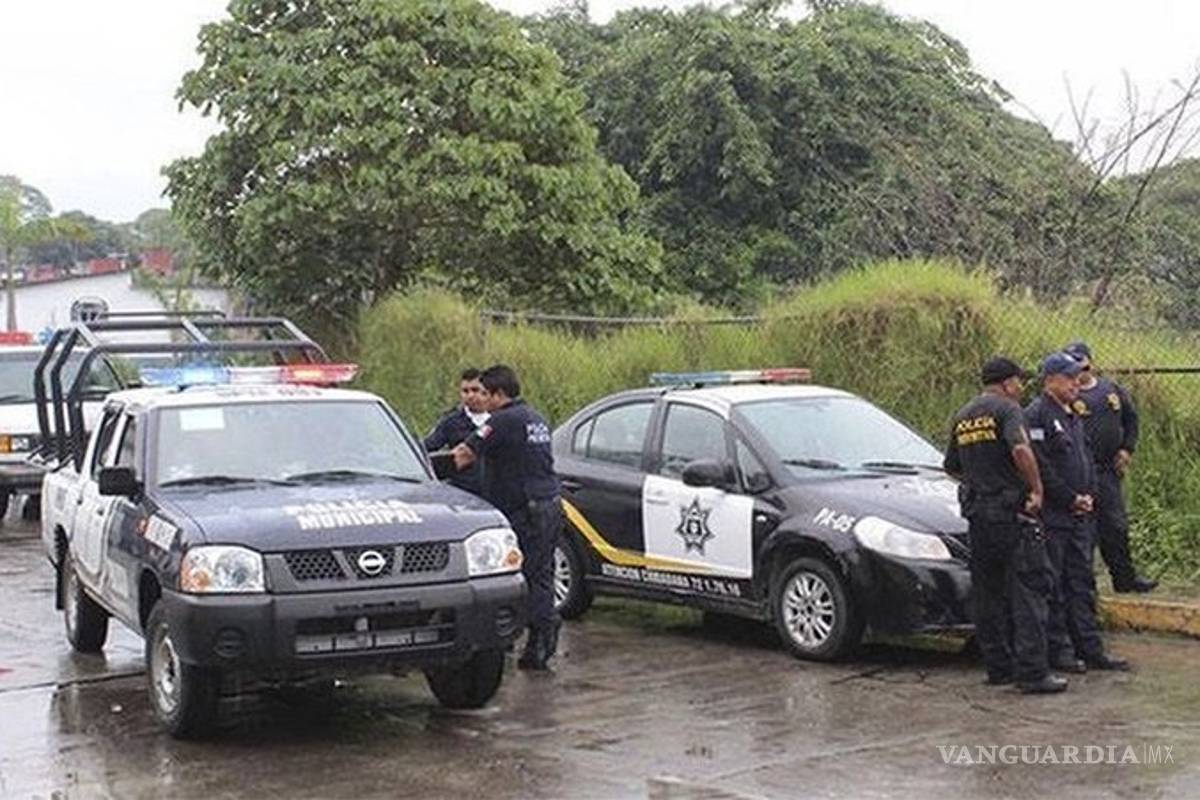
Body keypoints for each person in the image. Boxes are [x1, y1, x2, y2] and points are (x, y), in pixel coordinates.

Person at [943, 356, 1066, 694]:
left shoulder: (963, 415)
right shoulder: (1008, 409)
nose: (1021, 387)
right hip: (1012, 514)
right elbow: (1021, 451)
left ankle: (998, 668)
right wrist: (1036, 489)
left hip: (979, 517)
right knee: (1029, 590)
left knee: (988, 594)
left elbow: (951, 466)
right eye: (1018, 381)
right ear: (1007, 382)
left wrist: (981, 479)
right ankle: (1033, 673)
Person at [451, 365, 562, 671]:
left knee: (520, 576)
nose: (481, 400)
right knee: (543, 574)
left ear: (498, 394)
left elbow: (462, 457)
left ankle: (539, 641)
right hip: (549, 504)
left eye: (485, 393)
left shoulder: (500, 422)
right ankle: (543, 634)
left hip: (526, 510)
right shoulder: (535, 417)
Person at [1024, 352, 1129, 674]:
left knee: (1081, 583)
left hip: (1081, 515)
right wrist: (1070, 498)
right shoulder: (1037, 415)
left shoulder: (1072, 415)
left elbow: (1086, 459)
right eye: (1069, 378)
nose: (1076, 383)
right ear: (1050, 380)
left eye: (1078, 377)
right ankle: (1061, 651)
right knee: (1054, 585)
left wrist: (1090, 494)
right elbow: (1041, 466)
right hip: (1055, 517)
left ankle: (1091, 648)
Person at [1063, 341, 1157, 593]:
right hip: (1082, 472)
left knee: (1115, 526)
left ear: (1090, 363)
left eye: (1082, 365)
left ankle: (1124, 579)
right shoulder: (1068, 396)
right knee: (1086, 530)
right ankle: (1085, 584)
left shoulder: (1111, 389)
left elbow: (1131, 419)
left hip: (1108, 471)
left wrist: (1127, 448)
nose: (1078, 372)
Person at [423, 369, 489, 495]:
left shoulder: (502, 419)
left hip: (497, 492)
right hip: (464, 490)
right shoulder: (451, 421)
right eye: (465, 391)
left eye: (475, 390)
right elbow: (428, 446)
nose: (470, 395)